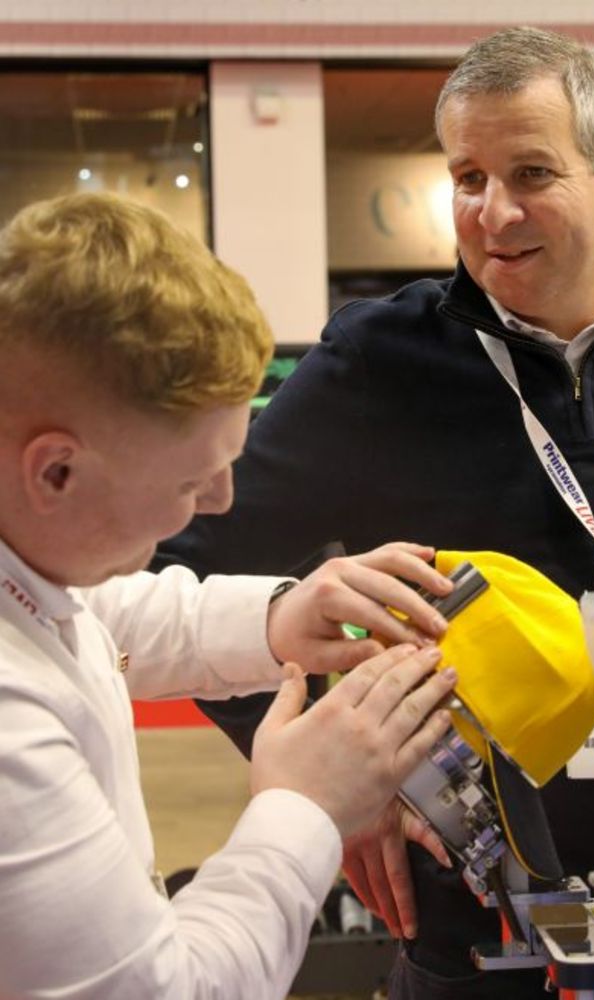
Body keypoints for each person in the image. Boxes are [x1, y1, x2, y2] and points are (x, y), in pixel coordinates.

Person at [158, 25, 594, 1000]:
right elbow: (188, 564)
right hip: (477, 915)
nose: (493, 212)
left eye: (530, 171)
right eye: (467, 176)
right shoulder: (382, 358)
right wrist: (335, 767)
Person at [0, 191, 463, 1000]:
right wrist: (305, 806)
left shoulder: (28, 552)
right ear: (56, 472)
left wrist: (279, 619)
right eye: (190, 479)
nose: (218, 502)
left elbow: (93, 615)